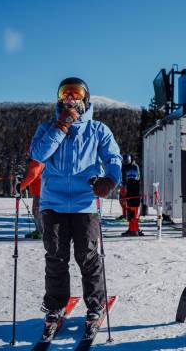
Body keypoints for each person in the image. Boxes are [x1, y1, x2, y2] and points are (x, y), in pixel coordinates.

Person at [29, 77, 121, 337]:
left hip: (85, 203)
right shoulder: (48, 127)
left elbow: (113, 157)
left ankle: (95, 305)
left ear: (86, 98)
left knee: (88, 257)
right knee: (56, 256)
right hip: (54, 203)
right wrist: (62, 125)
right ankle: (55, 306)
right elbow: (39, 155)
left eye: (76, 93)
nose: (70, 98)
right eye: (65, 94)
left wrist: (111, 178)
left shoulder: (98, 130)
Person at [20, 156, 44, 239]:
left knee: (38, 212)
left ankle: (42, 231)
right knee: (35, 211)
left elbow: (32, 175)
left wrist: (20, 187)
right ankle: (39, 230)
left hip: (41, 191)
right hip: (38, 191)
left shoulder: (36, 161)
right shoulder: (37, 160)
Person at [121, 154, 143, 236]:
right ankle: (131, 229)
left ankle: (134, 230)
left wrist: (127, 187)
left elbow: (134, 178)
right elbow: (124, 178)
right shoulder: (124, 167)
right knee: (130, 212)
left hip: (134, 193)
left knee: (133, 213)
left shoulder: (134, 167)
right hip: (130, 193)